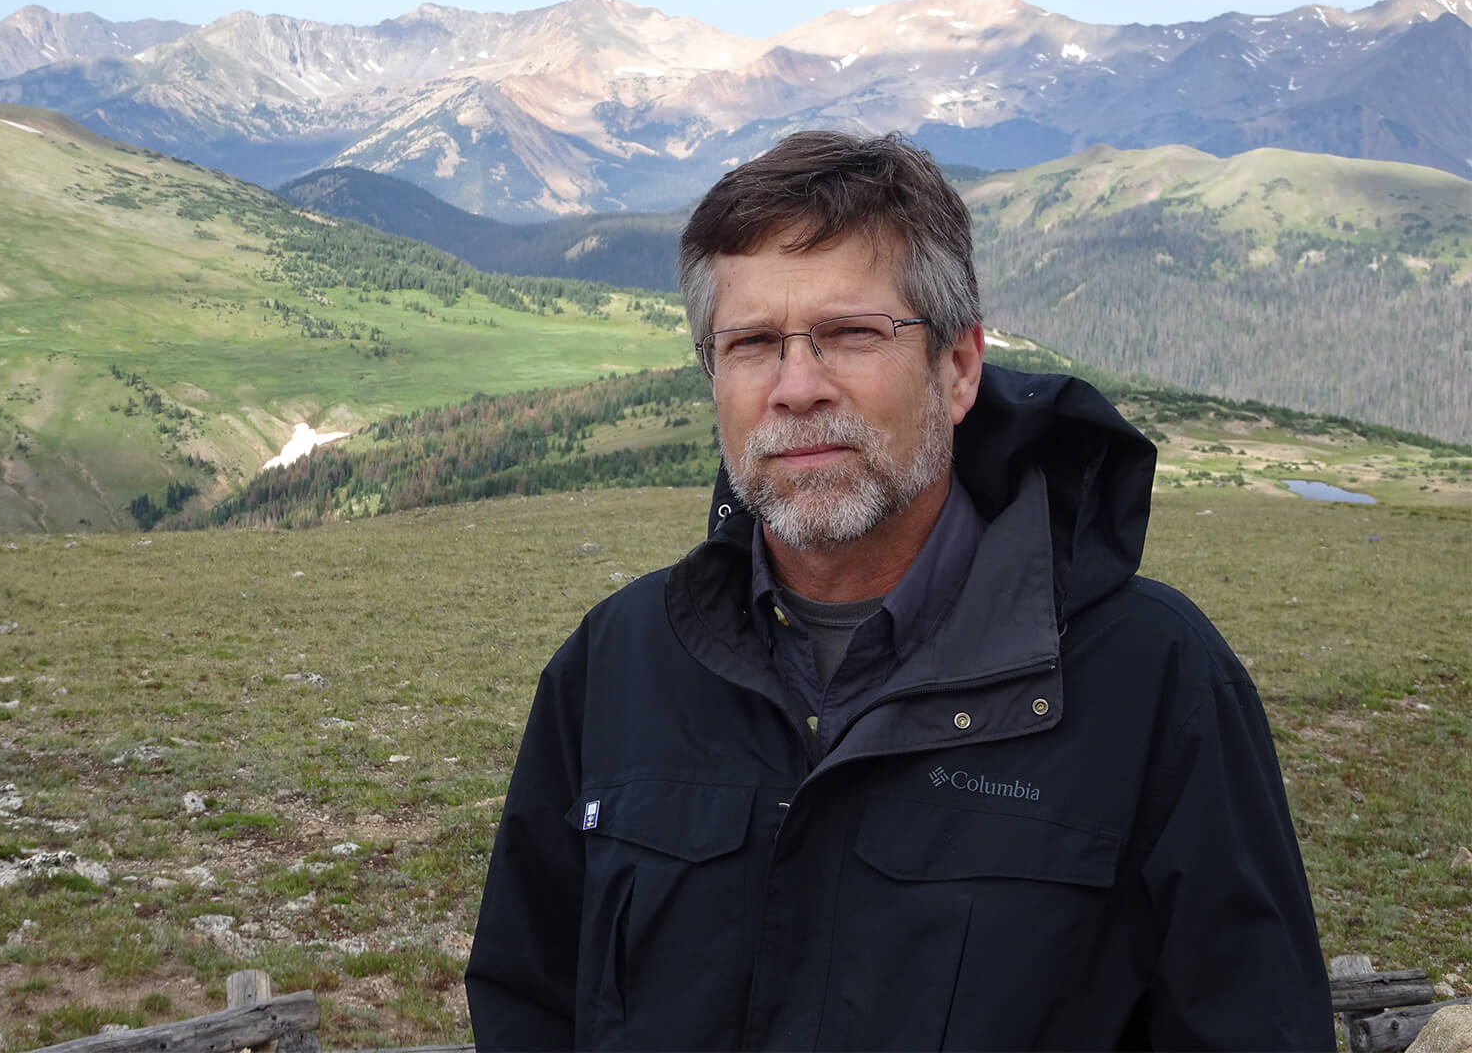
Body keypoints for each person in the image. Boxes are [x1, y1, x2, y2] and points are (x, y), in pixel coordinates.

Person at [466, 130, 1333, 1050]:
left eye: (850, 334)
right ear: (712, 377)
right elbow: (529, 997)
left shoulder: (1154, 681)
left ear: (959, 368)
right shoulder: (615, 663)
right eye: (754, 343)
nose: (798, 388)